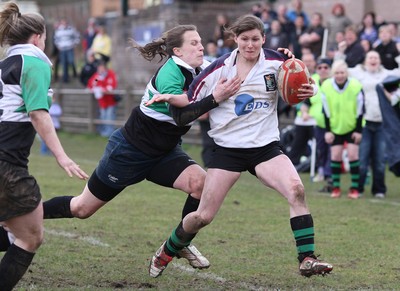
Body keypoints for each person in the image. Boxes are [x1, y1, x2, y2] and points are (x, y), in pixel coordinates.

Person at [147, 14, 333, 278]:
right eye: (244, 39)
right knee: (203, 216)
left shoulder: (278, 61)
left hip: (265, 147)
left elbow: (302, 84)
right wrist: (190, 98)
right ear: (235, 39)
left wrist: (307, 90)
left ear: (263, 39)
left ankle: (307, 259)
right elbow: (186, 107)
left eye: (255, 39)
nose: (250, 44)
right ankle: (169, 249)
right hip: (227, 151)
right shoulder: (217, 70)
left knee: (296, 190)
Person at [41, 24, 234, 274]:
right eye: (194, 43)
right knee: (82, 209)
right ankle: (22, 216)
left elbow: (234, 62)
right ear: (177, 51)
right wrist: (215, 97)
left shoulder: (201, 66)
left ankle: (179, 242)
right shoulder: (170, 74)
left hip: (164, 153)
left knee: (201, 184)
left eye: (200, 41)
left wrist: (279, 58)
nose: (201, 46)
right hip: (129, 151)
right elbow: (182, 116)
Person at [0, 2, 88, 290]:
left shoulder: (5, 66)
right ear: (38, 36)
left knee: (22, 227)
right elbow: (38, 113)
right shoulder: (34, 62)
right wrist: (62, 157)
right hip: (7, 163)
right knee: (30, 237)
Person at [349, 51, 400, 198]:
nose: (373, 60)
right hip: (365, 122)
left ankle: (379, 190)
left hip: (382, 123)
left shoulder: (386, 75)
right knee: (363, 159)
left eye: (376, 57)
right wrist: (340, 54)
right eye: (370, 57)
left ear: (380, 61)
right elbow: (342, 70)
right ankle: (358, 188)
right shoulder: (358, 74)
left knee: (379, 161)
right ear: (365, 61)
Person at [320, 60, 364, 199]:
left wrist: (358, 130)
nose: (340, 75)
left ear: (347, 73)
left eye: (342, 72)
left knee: (353, 156)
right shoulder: (326, 86)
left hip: (352, 127)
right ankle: (336, 187)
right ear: (333, 74)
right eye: (337, 73)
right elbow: (325, 111)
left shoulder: (356, 86)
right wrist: (328, 130)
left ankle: (355, 188)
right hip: (335, 128)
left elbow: (360, 110)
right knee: (335, 156)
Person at [87, 60, 118, 137]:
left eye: (102, 68)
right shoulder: (97, 76)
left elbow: (111, 85)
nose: (100, 69)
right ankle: (105, 132)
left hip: (110, 101)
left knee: (109, 116)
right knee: (103, 116)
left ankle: (110, 133)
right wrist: (97, 79)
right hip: (102, 101)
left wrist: (104, 88)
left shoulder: (110, 74)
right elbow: (92, 83)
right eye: (99, 68)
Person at [53, 18, 80, 83]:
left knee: (71, 61)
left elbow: (77, 36)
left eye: (65, 23)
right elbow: (56, 39)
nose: (64, 24)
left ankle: (74, 74)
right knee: (64, 64)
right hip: (62, 49)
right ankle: (65, 79)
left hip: (69, 48)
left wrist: (74, 44)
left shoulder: (71, 29)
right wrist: (58, 46)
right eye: (63, 23)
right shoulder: (58, 30)